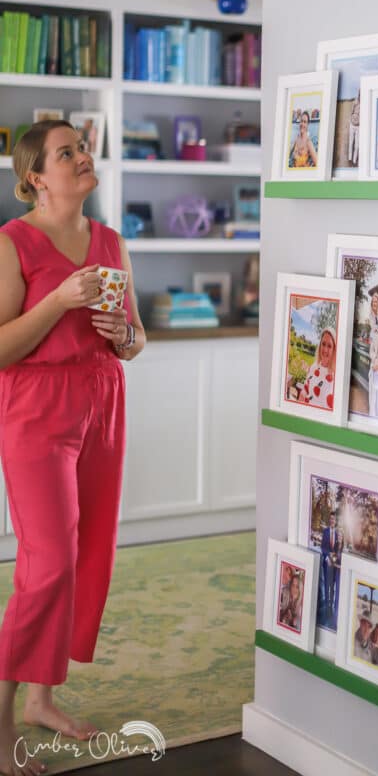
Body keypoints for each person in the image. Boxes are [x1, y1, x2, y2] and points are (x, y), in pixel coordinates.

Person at [0, 120, 146, 776]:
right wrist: (59, 300)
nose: (84, 157)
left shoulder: (111, 241)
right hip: (36, 411)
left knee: (86, 554)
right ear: (35, 176)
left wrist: (123, 335)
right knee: (49, 560)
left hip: (102, 401)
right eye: (68, 152)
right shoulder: (13, 243)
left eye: (82, 149)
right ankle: (1, 722)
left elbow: (135, 340)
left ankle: (42, 699)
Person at [300, 327, 336, 410]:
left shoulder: (336, 376)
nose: (325, 350)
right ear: (320, 346)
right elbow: (305, 388)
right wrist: (302, 394)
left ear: (334, 350)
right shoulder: (314, 367)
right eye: (323, 344)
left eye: (329, 346)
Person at [320, 513, 343, 623]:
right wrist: (328, 556)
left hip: (335, 565)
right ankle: (327, 608)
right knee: (327, 585)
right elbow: (323, 547)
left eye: (334, 519)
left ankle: (332, 607)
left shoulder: (339, 533)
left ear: (336, 520)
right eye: (331, 519)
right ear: (329, 520)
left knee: (332, 585)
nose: (332, 520)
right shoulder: (325, 532)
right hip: (327, 563)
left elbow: (339, 547)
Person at [348, 93, 361, 166]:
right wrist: (351, 120)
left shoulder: (364, 104)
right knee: (351, 142)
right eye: (359, 94)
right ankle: (350, 159)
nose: (360, 95)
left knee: (357, 145)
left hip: (358, 126)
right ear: (358, 94)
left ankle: (354, 160)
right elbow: (351, 112)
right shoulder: (355, 102)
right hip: (352, 124)